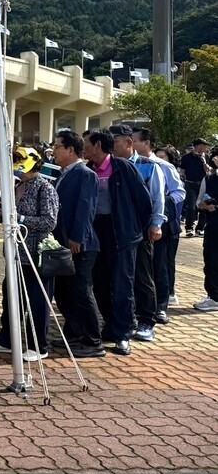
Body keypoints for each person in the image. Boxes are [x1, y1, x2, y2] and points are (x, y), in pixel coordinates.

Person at [0, 147, 59, 361]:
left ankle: (38, 346)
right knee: (11, 297)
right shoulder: (14, 186)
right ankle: (7, 340)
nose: (18, 171)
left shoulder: (45, 188)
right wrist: (0, 213)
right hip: (14, 252)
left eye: (21, 165)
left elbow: (49, 221)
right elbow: (6, 219)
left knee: (37, 300)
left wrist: (20, 218)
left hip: (35, 254)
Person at [84, 130, 151, 356]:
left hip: (122, 233)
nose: (84, 148)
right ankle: (111, 326)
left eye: (87, 144)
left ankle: (123, 334)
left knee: (123, 285)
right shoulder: (88, 170)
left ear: (98, 146)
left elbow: (143, 202)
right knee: (100, 283)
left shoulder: (123, 168)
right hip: (96, 232)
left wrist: (134, 230)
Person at [50, 130, 103, 357]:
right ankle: (74, 333)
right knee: (64, 291)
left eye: (57, 146)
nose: (53, 151)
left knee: (81, 291)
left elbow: (86, 208)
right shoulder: (62, 174)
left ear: (70, 149)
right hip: (63, 242)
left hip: (81, 244)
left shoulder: (85, 174)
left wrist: (77, 237)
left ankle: (93, 340)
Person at [109, 124, 164, 343]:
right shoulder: (108, 165)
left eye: (113, 143)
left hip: (140, 230)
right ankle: (123, 318)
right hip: (115, 229)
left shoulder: (148, 166)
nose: (110, 147)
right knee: (118, 277)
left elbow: (157, 198)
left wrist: (156, 224)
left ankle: (146, 320)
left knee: (142, 275)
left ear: (128, 142)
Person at [133, 128, 184, 324]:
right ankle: (142, 306)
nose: (131, 143)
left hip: (161, 223)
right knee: (143, 269)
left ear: (145, 143)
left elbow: (180, 193)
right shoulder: (132, 165)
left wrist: (162, 202)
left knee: (160, 266)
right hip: (139, 225)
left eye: (134, 140)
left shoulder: (162, 166)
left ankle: (161, 307)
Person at [156, 144, 184, 306]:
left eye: (162, 158)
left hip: (171, 225)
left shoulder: (175, 178)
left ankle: (170, 292)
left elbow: (178, 202)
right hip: (158, 224)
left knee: (167, 260)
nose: (158, 161)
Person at [193, 171, 218, 312]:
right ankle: (213, 296)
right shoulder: (208, 178)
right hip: (213, 226)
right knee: (211, 261)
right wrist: (203, 205)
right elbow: (198, 202)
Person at [180, 139, 209, 237]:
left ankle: (200, 228)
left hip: (204, 185)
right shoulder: (186, 158)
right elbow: (182, 171)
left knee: (204, 206)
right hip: (190, 184)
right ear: (198, 146)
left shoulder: (207, 157)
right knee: (191, 207)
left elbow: (211, 172)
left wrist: (208, 168)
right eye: (204, 146)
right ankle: (189, 228)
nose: (205, 148)